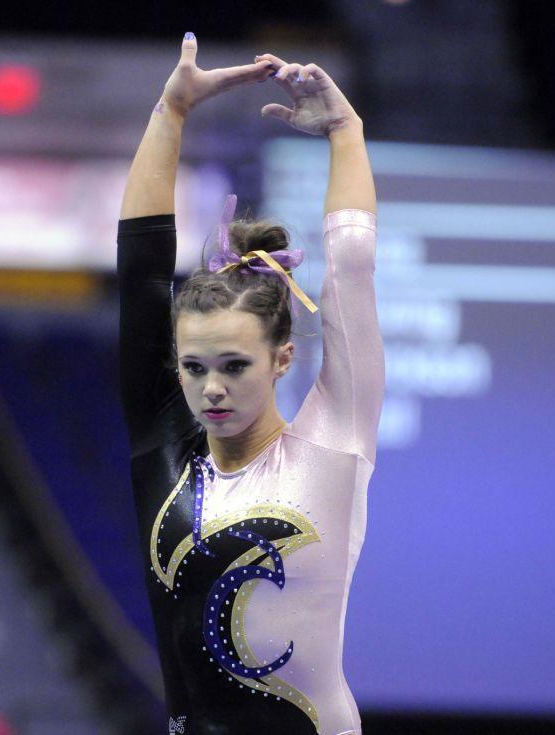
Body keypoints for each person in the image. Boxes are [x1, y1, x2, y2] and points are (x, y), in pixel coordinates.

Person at [118, 32, 384, 735]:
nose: (211, 388)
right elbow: (141, 276)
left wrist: (346, 132)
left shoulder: (332, 446)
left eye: (235, 365)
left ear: (283, 359)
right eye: (194, 367)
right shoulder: (168, 457)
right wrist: (169, 113)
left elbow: (350, 268)